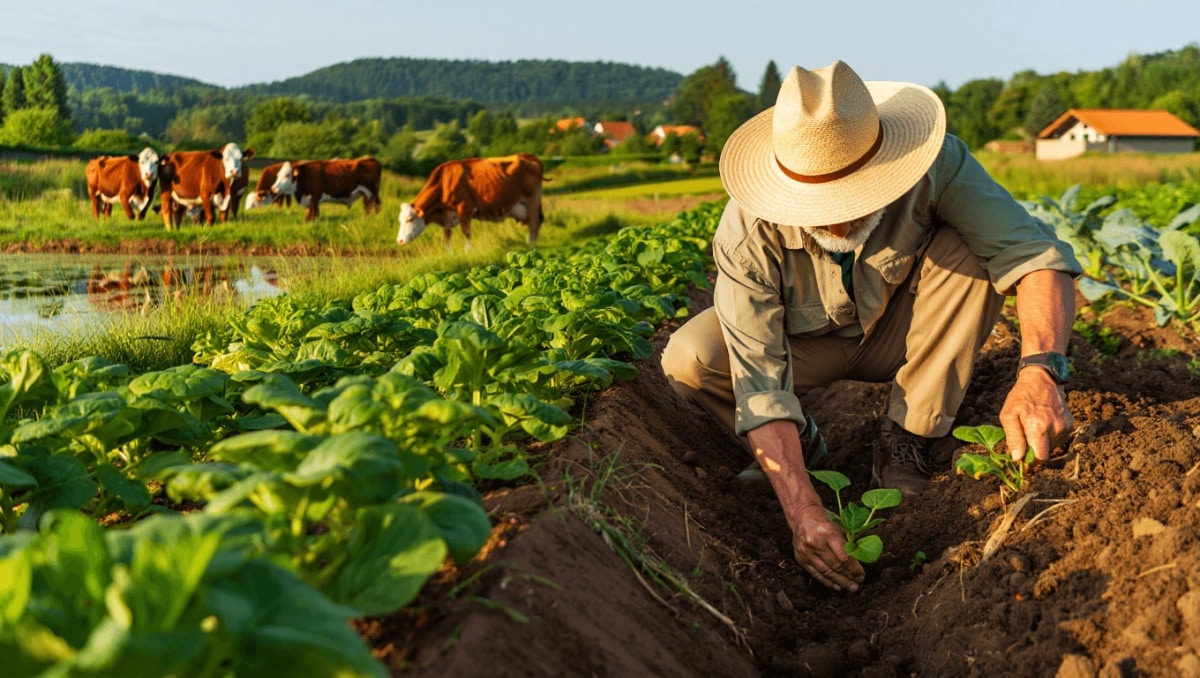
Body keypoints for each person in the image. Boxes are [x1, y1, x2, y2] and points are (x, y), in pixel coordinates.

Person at [660, 60, 1081, 593]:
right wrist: (802, 508)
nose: (839, 220)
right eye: (820, 204)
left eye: (855, 196)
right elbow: (759, 379)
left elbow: (1035, 257)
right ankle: (807, 452)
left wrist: (1042, 372)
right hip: (801, 348)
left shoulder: (937, 164)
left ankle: (908, 440)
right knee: (690, 357)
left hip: (902, 332)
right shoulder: (748, 230)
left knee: (974, 254)